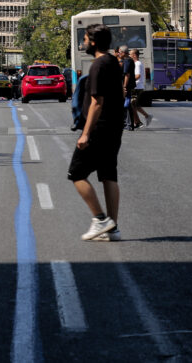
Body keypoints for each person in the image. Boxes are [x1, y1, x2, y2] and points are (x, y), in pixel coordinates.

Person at [69, 24, 124, 242]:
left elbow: (96, 103)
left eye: (84, 39)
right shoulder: (112, 62)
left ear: (92, 41)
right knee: (108, 174)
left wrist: (85, 133)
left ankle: (100, 219)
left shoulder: (98, 65)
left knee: (76, 173)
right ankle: (112, 228)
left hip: (99, 127)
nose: (82, 43)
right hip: (114, 126)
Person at [118, 46, 140, 130]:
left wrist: (124, 87)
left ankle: (129, 124)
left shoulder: (127, 61)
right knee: (126, 104)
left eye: (120, 52)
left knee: (126, 104)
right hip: (128, 85)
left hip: (126, 86)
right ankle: (127, 124)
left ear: (123, 52)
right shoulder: (127, 60)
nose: (119, 53)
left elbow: (127, 75)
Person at [129, 49, 151, 127]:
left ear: (134, 55)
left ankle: (138, 122)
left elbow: (138, 76)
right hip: (137, 86)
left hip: (137, 87)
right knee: (134, 105)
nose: (129, 56)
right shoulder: (136, 63)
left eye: (130, 54)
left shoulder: (137, 64)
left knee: (132, 105)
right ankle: (144, 118)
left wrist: (129, 80)